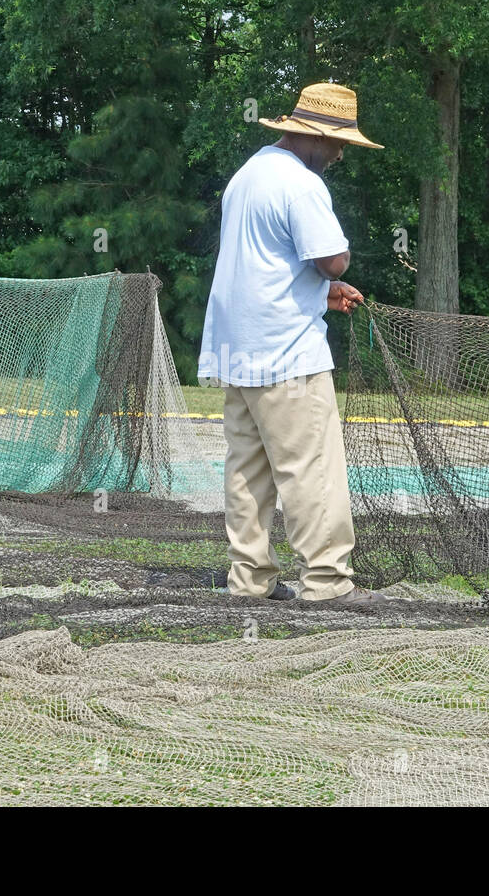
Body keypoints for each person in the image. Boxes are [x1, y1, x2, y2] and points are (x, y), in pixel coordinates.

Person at [198, 82, 386, 604]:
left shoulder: (250, 172)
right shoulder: (301, 185)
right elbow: (331, 257)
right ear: (313, 137)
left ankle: (250, 579)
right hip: (287, 354)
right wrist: (333, 274)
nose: (342, 153)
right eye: (339, 142)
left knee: (247, 473)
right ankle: (326, 583)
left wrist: (319, 295)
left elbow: (265, 266)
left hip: (237, 350)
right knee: (311, 470)